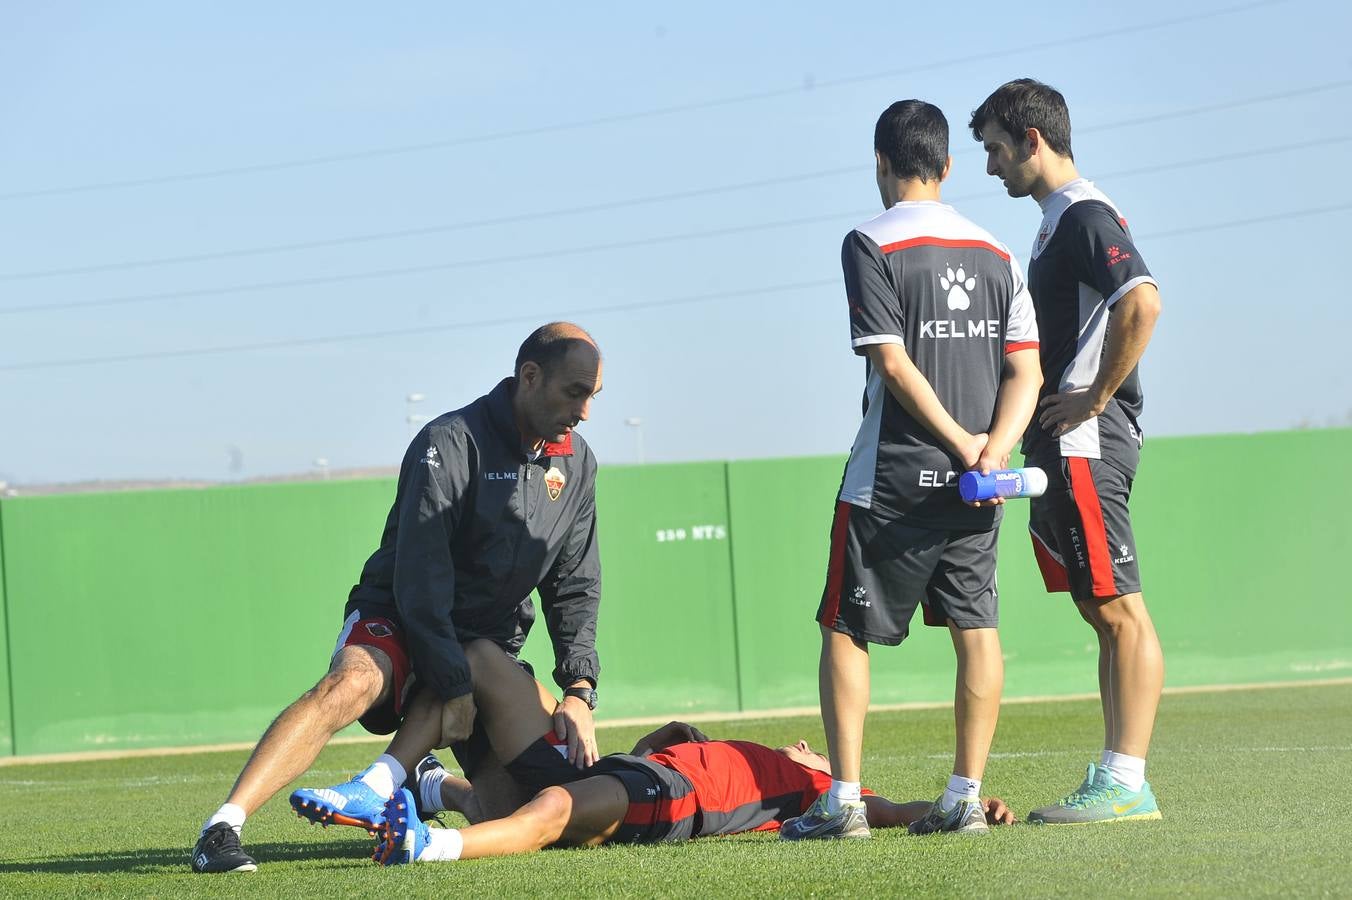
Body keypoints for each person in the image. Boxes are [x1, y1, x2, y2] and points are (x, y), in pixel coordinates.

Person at [191, 322, 607, 873]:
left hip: (481, 644)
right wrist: (454, 680)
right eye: (573, 393)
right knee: (352, 683)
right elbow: (422, 575)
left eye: (593, 396)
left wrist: (578, 688)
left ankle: (434, 787)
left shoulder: (577, 465)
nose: (584, 412)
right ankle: (222, 827)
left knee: (510, 816)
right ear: (529, 376)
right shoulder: (450, 443)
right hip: (402, 615)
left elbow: (574, 583)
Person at [780, 100, 1042, 842]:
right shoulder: (998, 251)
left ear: (881, 165)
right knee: (977, 627)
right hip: (979, 482)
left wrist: (964, 441)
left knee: (844, 628)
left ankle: (846, 805)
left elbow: (890, 360)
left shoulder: (867, 240)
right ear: (950, 166)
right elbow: (1027, 370)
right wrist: (994, 447)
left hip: (891, 479)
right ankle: (964, 798)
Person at [969, 78, 1165, 825]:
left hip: (1087, 441)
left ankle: (1126, 782)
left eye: (994, 149)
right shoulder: (1057, 221)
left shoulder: (1083, 212)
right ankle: (1118, 776)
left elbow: (1142, 300)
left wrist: (1095, 398)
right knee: (1099, 606)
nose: (989, 167)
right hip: (1064, 445)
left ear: (1031, 140)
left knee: (1119, 609)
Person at [369, 639, 1017, 864]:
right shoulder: (757, 754)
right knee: (503, 684)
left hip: (671, 804)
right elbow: (645, 751)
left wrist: (967, 807)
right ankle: (433, 789)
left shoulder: (818, 791)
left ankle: (427, 846)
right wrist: (669, 736)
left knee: (549, 813)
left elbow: (897, 814)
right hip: (639, 773)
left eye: (820, 752)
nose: (808, 747)